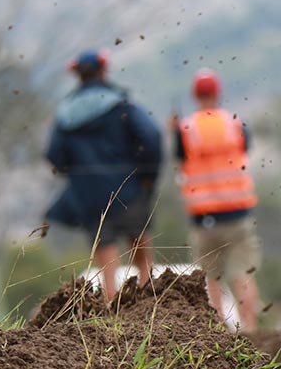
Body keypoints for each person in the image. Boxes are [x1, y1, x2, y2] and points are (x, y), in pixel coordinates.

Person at [45, 49, 163, 301]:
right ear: (103, 70)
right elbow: (151, 136)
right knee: (140, 249)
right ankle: (150, 305)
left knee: (106, 259)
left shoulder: (65, 114)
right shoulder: (120, 104)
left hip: (89, 197)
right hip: (128, 189)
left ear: (78, 75)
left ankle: (112, 313)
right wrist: (147, 175)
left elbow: (54, 154)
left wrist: (76, 175)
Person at [171, 68, 263, 334]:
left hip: (203, 217)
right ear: (218, 92)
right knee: (243, 274)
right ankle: (251, 328)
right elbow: (245, 150)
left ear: (195, 95)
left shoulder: (185, 129)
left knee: (211, 278)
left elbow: (179, 163)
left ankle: (219, 332)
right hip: (237, 213)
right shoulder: (234, 124)